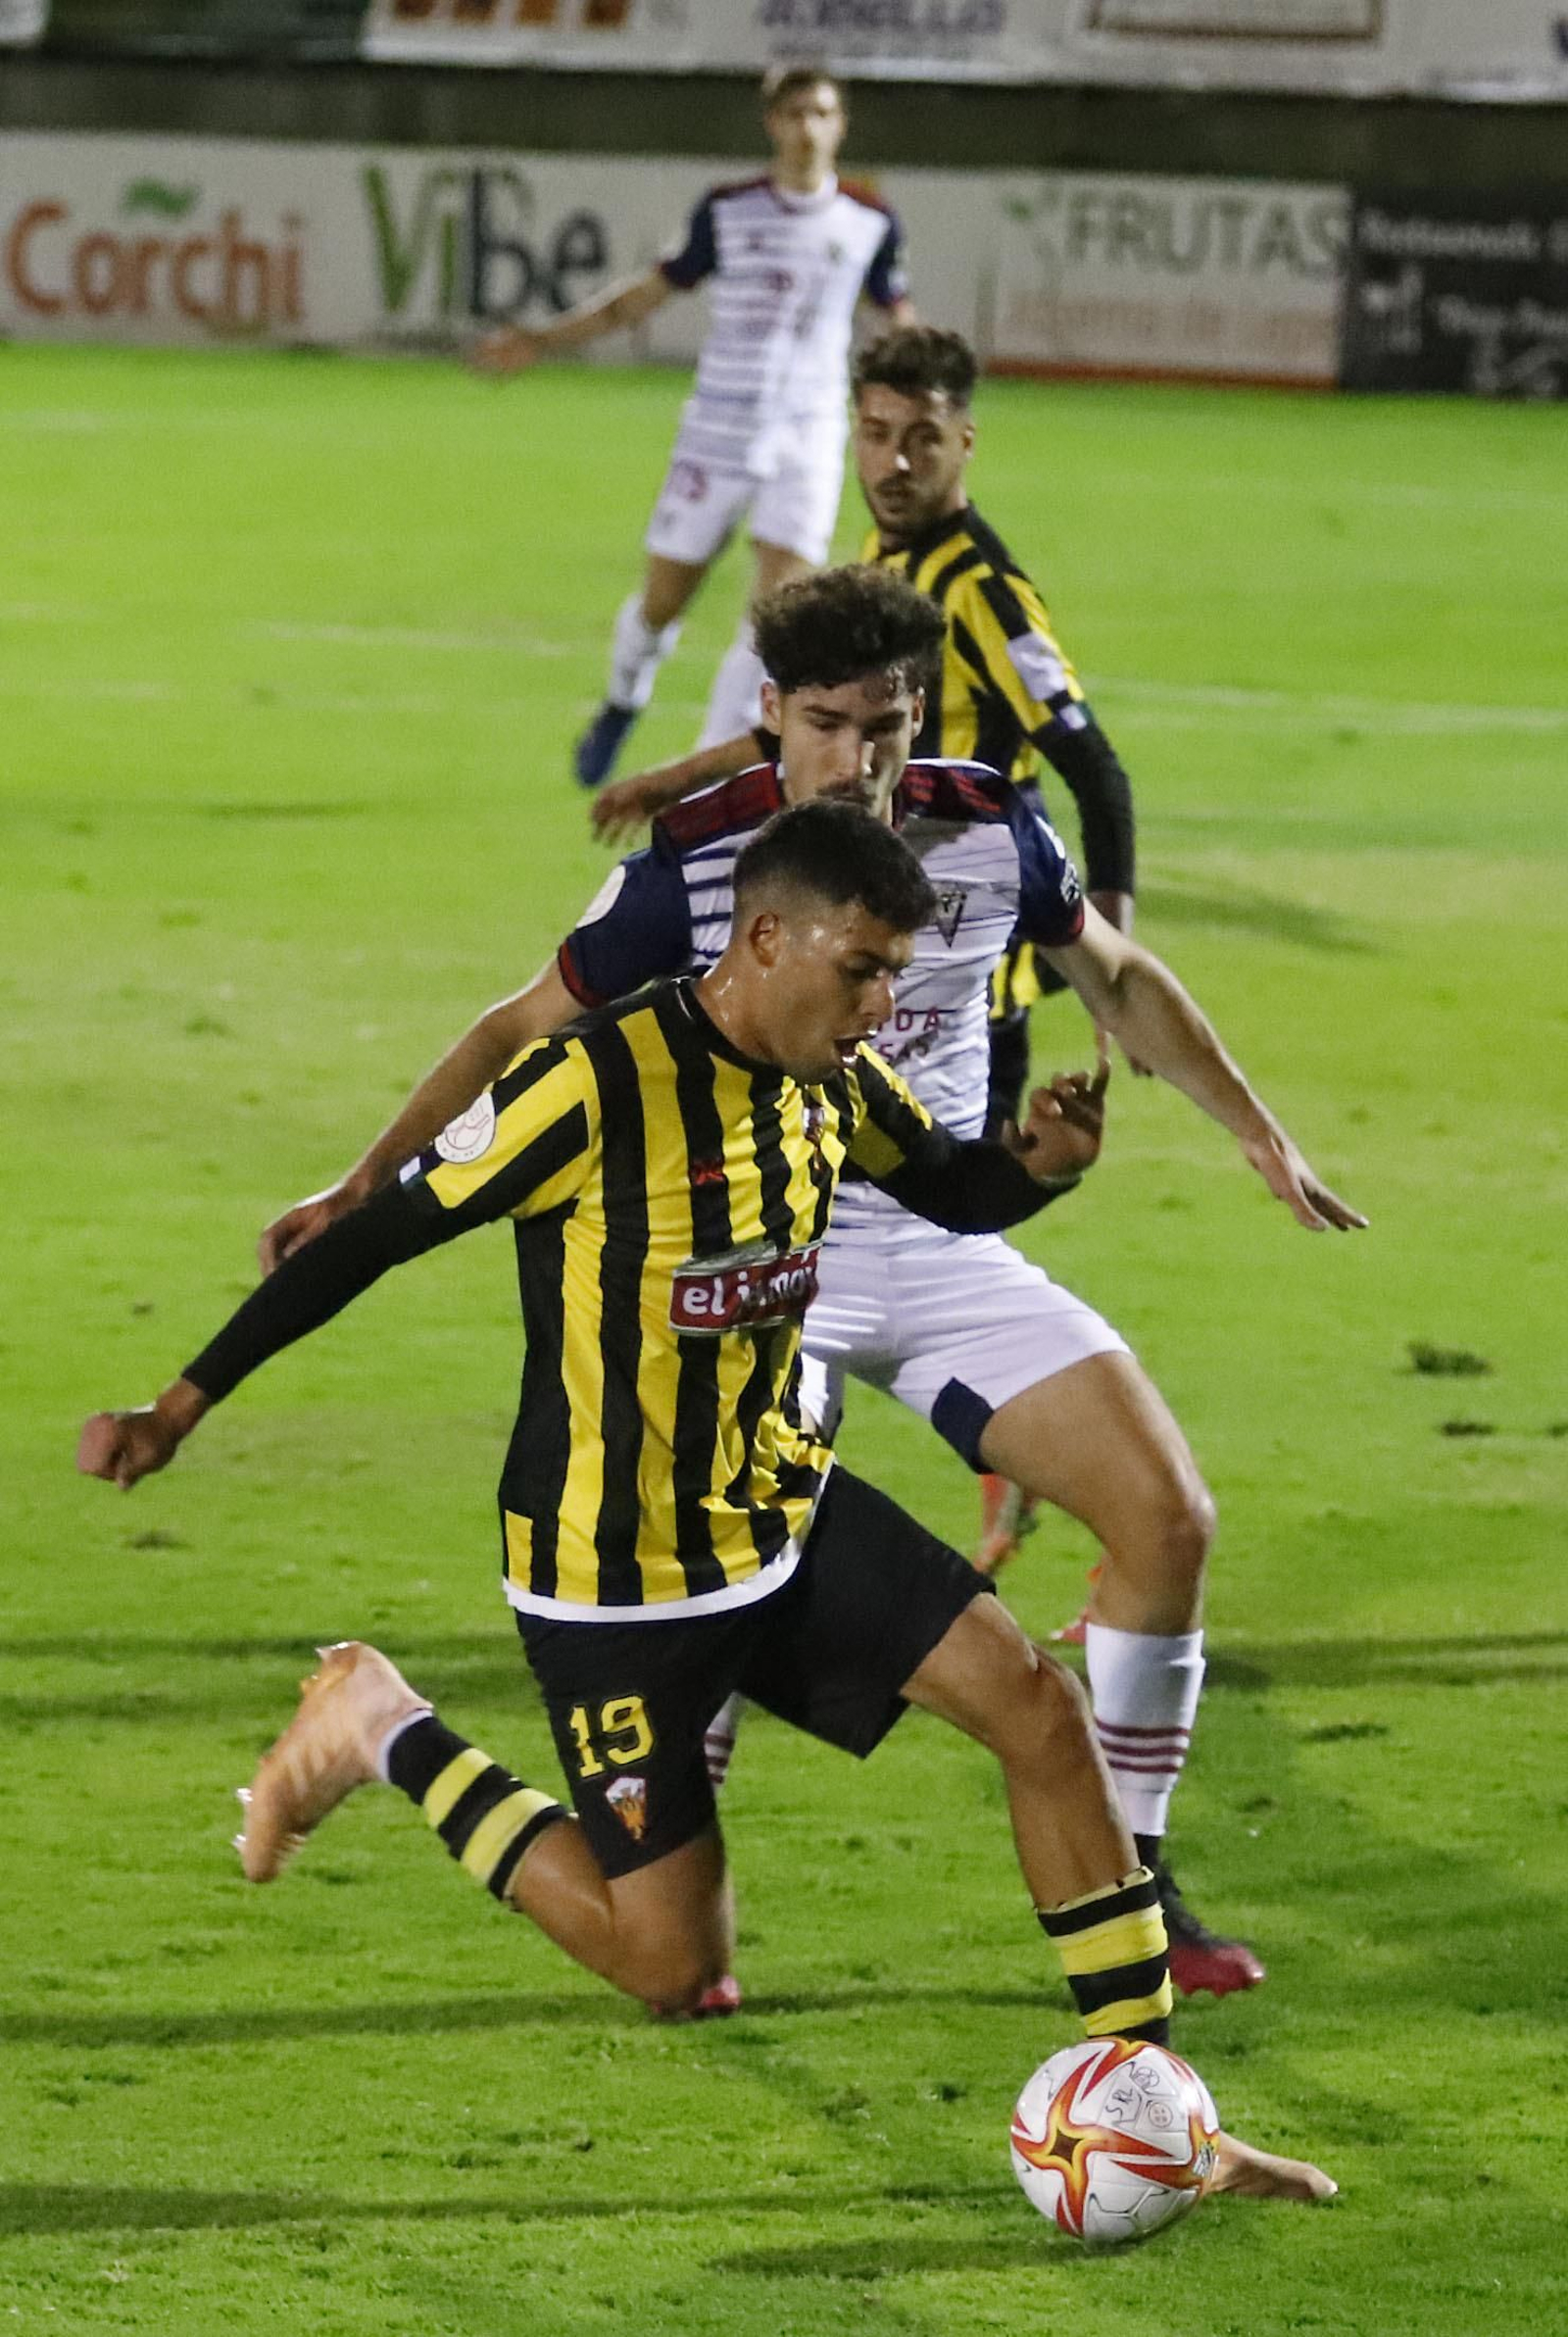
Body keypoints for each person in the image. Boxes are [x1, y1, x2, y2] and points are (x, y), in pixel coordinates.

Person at [78, 801, 1333, 2213]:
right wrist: (178, 1407)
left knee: (1038, 1715)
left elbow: (956, 1193)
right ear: (764, 939)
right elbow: (376, 1239)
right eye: (860, 970)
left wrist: (1038, 1166)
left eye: (896, 977)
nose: (881, 1006)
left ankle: (1158, 2112)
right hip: (617, 1577)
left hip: (779, 1511)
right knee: (672, 1967)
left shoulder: (833, 1083)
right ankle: (381, 1729)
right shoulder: (596, 1082)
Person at [251, 568, 1365, 2005]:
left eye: (887, 726)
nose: (861, 762)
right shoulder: (705, 862)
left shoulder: (985, 826)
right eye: (830, 727)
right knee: (717, 1587)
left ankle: (1138, 1884)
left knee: (1168, 1515)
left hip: (937, 1229)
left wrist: (1258, 1132)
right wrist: (361, 1183)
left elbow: (1120, 976)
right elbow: (523, 1027)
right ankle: (652, 1866)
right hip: (746, 1260)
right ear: (777, 719)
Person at [588, 325, 1139, 1575]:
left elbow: (1091, 763)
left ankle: (983, 1467)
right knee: (867, 1223)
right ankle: (853, 1479)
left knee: (933, 1225)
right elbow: (813, 727)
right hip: (875, 948)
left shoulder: (981, 592)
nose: (892, 460)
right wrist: (684, 773)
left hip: (956, 969)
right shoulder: (887, 568)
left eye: (919, 438)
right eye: (874, 434)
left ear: (963, 441)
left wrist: (1104, 943)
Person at [473, 65, 914, 785]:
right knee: (662, 602)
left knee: (776, 612)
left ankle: (705, 767)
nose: (808, 128)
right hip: (718, 428)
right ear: (773, 123)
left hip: (807, 434)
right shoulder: (728, 210)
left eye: (822, 114)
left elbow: (898, 320)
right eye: (795, 113)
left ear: (842, 125)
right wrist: (544, 340)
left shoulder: (869, 221)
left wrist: (924, 393)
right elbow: (645, 295)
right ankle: (623, 699)